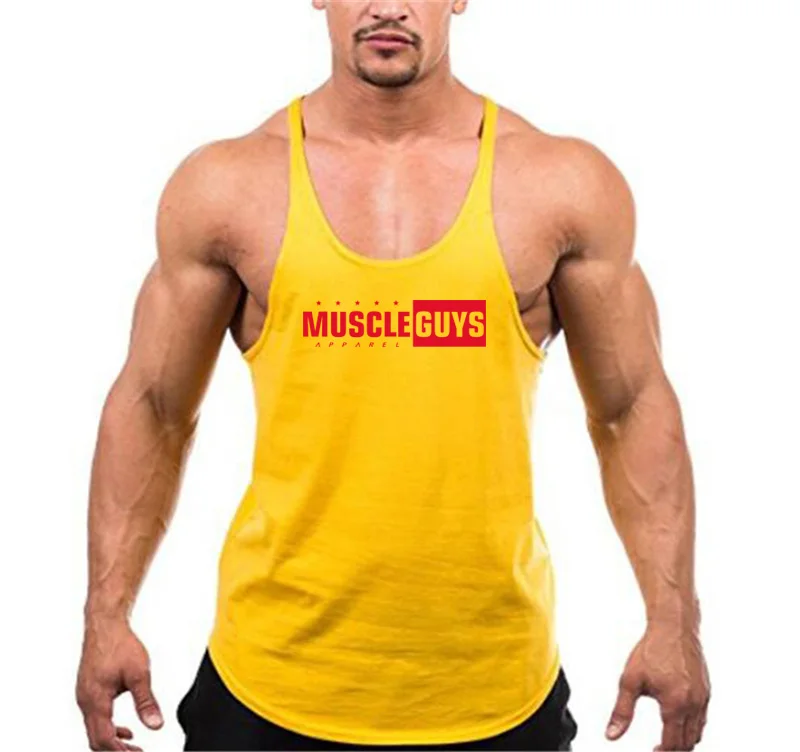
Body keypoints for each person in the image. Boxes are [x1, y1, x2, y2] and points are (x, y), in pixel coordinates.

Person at [75, 2, 711, 750]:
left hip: (497, 688)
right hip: (268, 684)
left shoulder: (559, 184)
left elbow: (631, 407)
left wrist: (673, 622)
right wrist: (106, 617)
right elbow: (153, 406)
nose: (386, 6)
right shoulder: (230, 186)